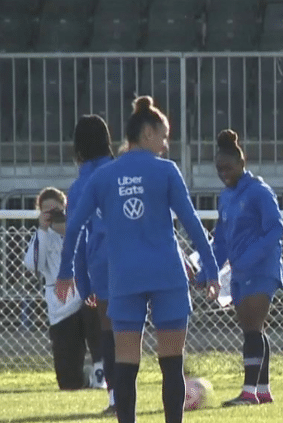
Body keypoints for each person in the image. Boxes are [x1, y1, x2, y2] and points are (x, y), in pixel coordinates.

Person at [55, 96, 220, 423]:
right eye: (164, 134)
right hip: (166, 275)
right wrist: (210, 269)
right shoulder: (166, 171)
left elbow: (75, 228)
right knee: (171, 362)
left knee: (126, 363)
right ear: (146, 133)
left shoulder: (103, 177)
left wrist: (67, 274)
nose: (166, 142)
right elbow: (191, 222)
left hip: (124, 278)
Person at [197, 129, 283, 407]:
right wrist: (207, 271)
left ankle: (249, 392)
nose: (224, 172)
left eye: (228, 167)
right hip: (239, 272)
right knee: (253, 328)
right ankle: (262, 389)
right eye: (219, 168)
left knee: (251, 328)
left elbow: (276, 230)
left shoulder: (259, 191)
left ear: (241, 163)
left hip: (261, 269)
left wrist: (247, 258)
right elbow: (221, 239)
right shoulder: (226, 197)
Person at [23, 187, 103, 390]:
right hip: (60, 307)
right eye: (49, 211)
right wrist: (42, 229)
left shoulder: (81, 230)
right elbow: (33, 265)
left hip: (86, 298)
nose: (56, 215)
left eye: (59, 210)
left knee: (96, 315)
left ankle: (101, 373)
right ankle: (84, 375)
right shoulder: (42, 237)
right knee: (68, 382)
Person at [67, 114, 117, 412]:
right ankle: (174, 386)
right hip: (138, 259)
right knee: (136, 332)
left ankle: (116, 398)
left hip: (103, 264)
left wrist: (82, 281)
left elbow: (78, 238)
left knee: (110, 332)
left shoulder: (79, 187)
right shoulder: (122, 172)